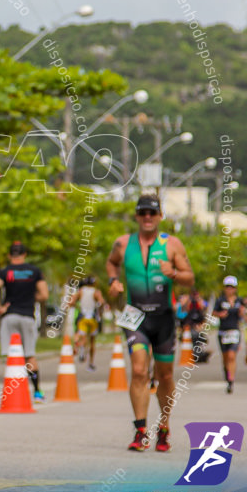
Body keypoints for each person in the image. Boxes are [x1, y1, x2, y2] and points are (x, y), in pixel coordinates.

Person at [106, 193, 194, 453]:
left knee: (165, 375)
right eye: (142, 212)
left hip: (164, 317)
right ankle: (140, 430)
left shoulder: (172, 244)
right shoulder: (123, 244)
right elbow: (111, 264)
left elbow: (190, 278)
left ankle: (164, 427)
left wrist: (175, 274)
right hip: (135, 316)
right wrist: (113, 281)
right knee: (140, 371)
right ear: (136, 215)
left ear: (160, 217)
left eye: (152, 213)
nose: (147, 217)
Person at [0, 241, 49, 402]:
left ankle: (12, 394)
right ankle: (37, 392)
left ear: (9, 255)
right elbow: (44, 295)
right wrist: (31, 298)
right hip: (28, 316)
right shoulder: (34, 271)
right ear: (24, 255)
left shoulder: (5, 272)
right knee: (30, 356)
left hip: (10, 316)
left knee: (12, 356)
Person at [65, 276, 107, 371]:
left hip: (83, 317)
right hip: (92, 318)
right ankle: (91, 363)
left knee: (81, 335)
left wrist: (77, 306)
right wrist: (99, 311)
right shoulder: (96, 292)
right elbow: (101, 302)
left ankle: (81, 349)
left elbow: (70, 302)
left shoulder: (80, 291)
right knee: (92, 341)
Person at [214, 276, 245, 394]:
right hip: (223, 332)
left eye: (232, 287)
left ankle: (231, 380)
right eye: (227, 287)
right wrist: (220, 314)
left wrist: (243, 312)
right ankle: (227, 375)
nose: (229, 289)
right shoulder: (220, 300)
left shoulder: (239, 301)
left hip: (234, 331)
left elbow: (244, 315)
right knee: (225, 357)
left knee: (232, 356)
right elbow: (214, 312)